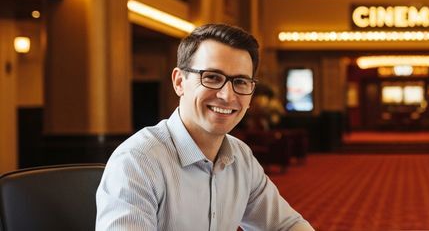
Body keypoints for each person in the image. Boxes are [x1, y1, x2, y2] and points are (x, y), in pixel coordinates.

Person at [96, 24, 314, 231]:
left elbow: (286, 225)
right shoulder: (138, 161)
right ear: (179, 82)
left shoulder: (241, 157)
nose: (227, 95)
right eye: (212, 77)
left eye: (240, 82)